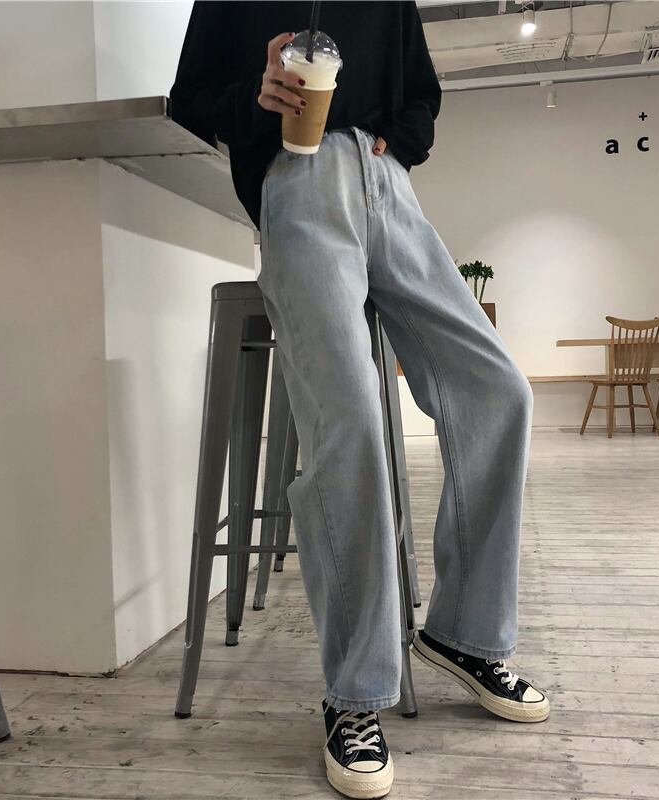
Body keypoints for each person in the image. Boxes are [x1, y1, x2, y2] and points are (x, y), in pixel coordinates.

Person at [170, 2, 549, 797]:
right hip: (297, 185)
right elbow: (190, 96)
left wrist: (397, 141)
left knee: (499, 392)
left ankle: (465, 633)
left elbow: (422, 95)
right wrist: (256, 99)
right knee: (350, 422)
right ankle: (355, 692)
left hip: (392, 192)